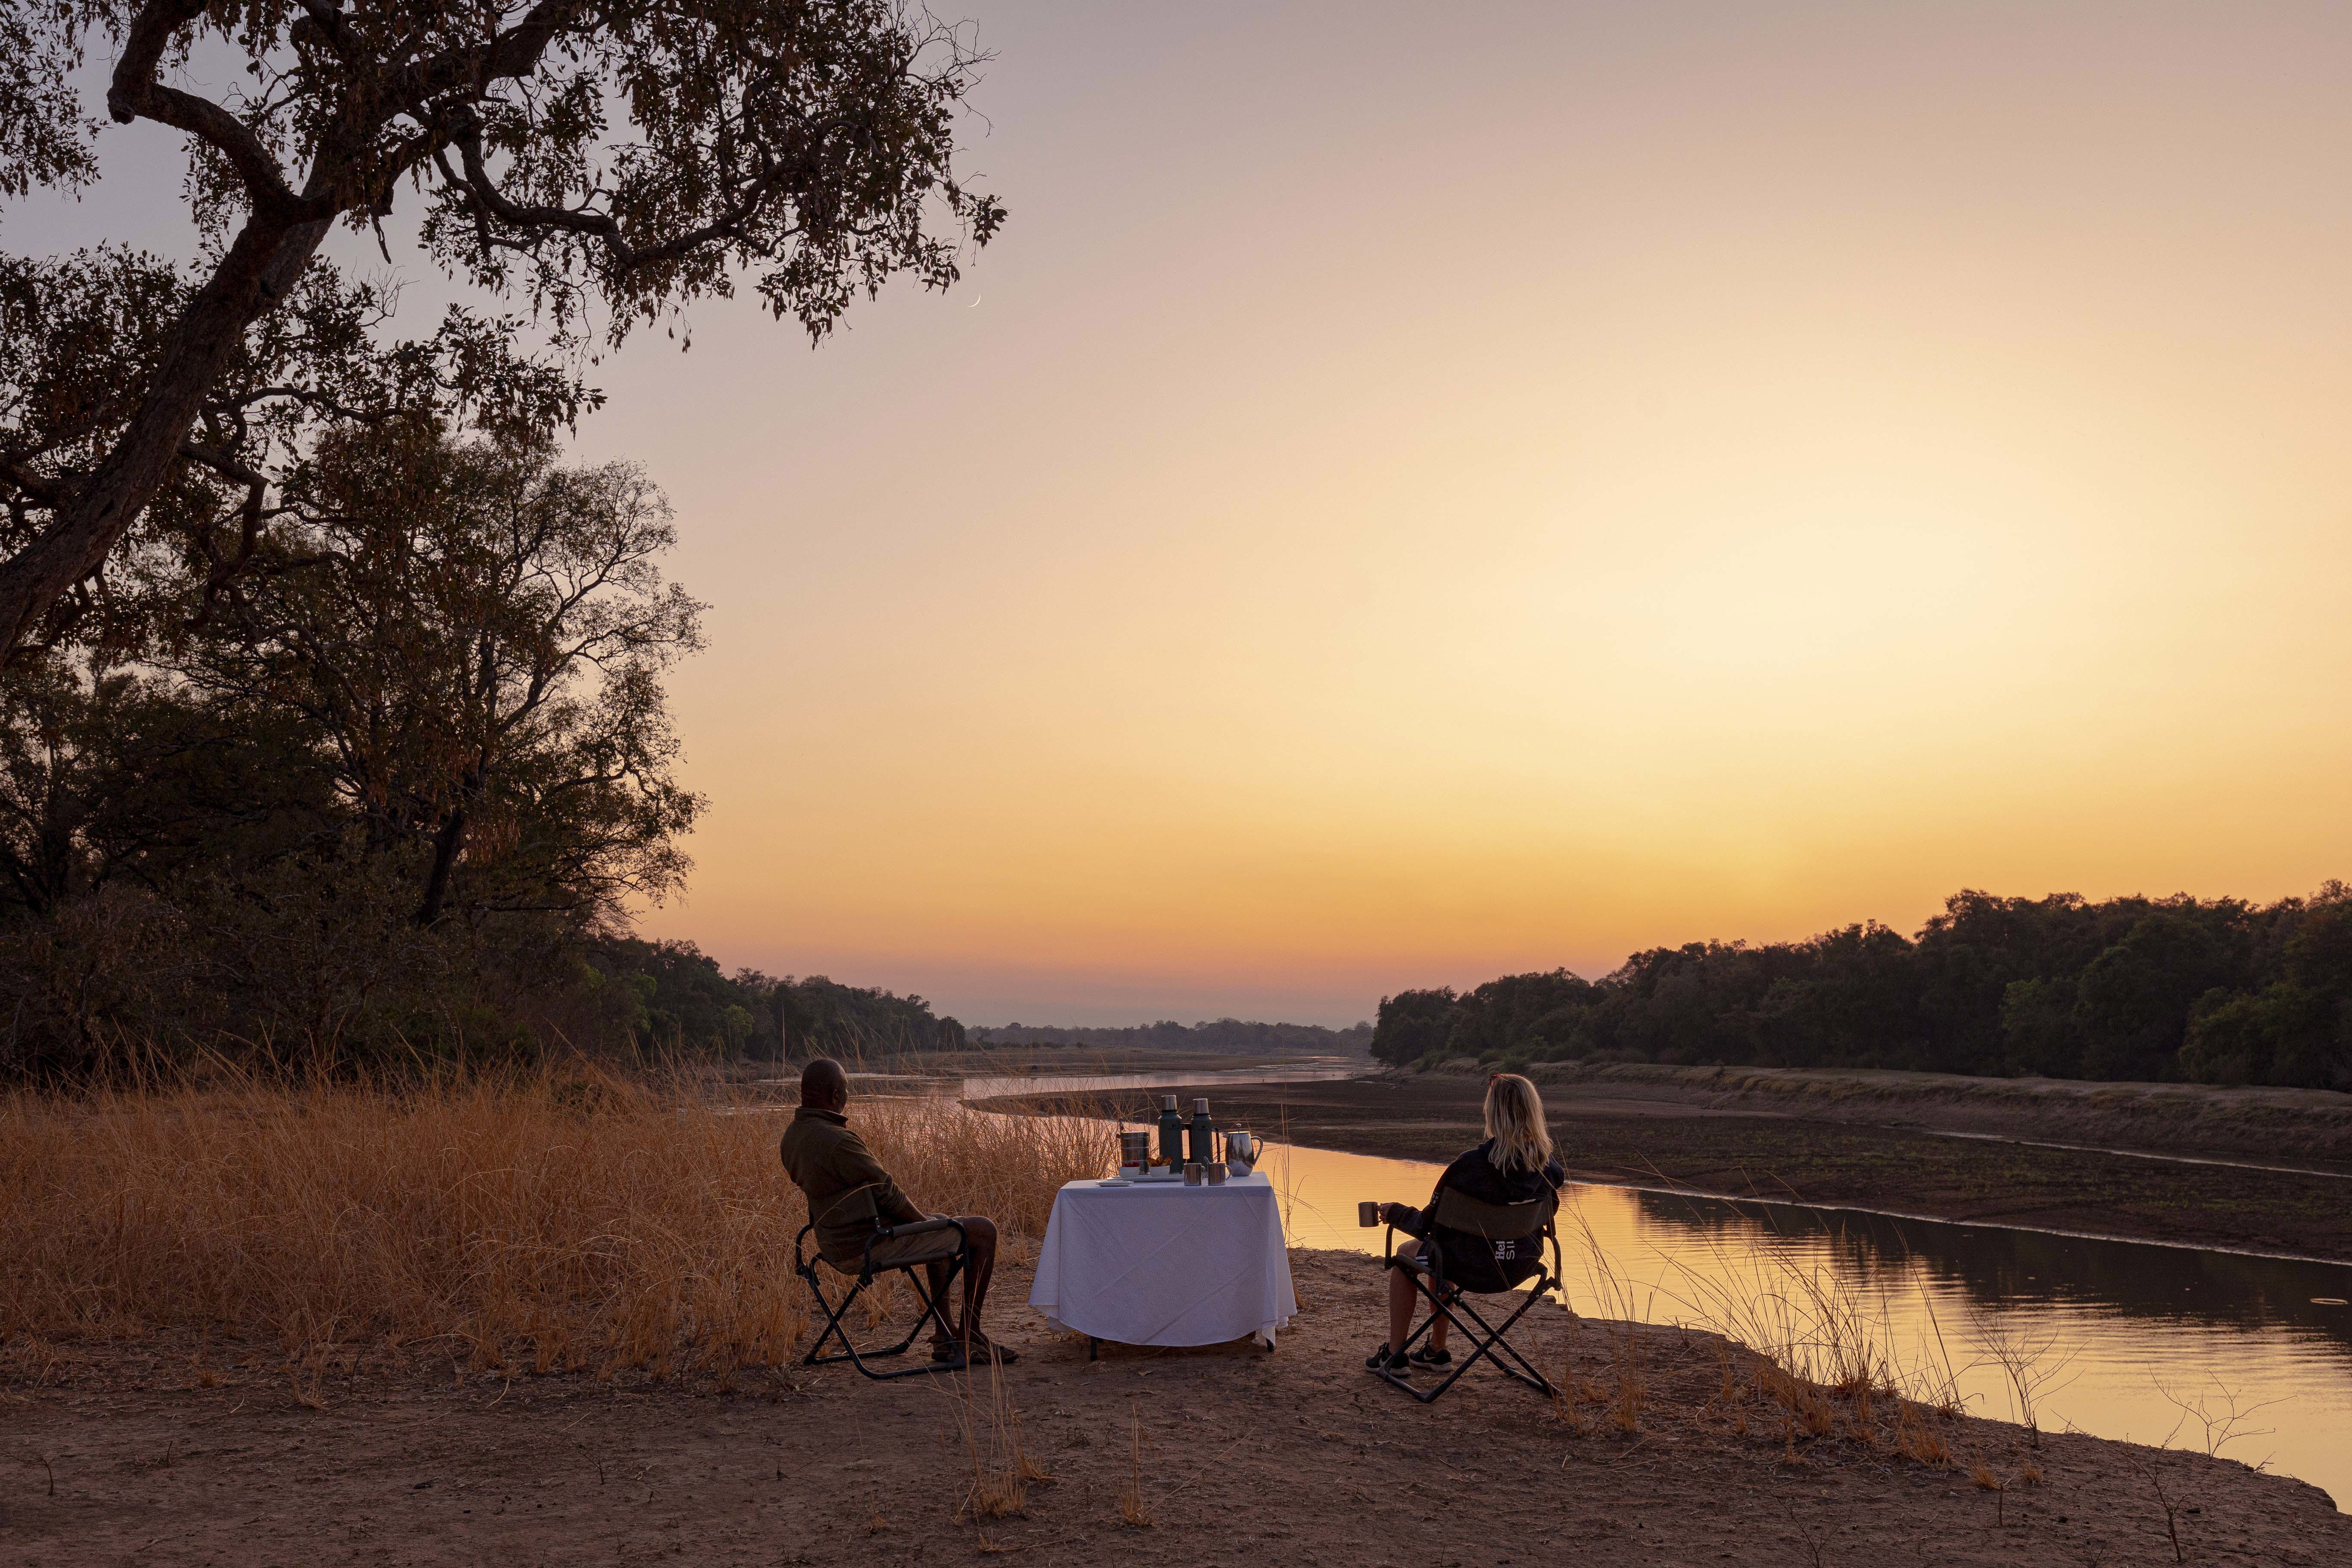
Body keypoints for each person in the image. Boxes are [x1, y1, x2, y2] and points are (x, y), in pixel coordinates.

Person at [780, 1057, 1017, 1365]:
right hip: (867, 1245)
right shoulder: (838, 1140)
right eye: (847, 1091)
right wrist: (923, 1224)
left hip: (833, 1242)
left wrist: (929, 1225)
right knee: (983, 1230)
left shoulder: (792, 1137)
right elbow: (887, 1192)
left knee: (940, 1224)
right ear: (836, 1095)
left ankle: (945, 1335)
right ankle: (970, 1336)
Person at [1364, 1072, 1563, 1375]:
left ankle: (1394, 1354)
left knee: (1412, 1254)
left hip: (1470, 1267)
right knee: (1443, 1250)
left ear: (1493, 1113)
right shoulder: (1549, 1170)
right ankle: (1436, 1351)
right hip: (1519, 1267)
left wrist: (1394, 1212)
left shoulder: (1469, 1167)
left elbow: (1426, 1225)